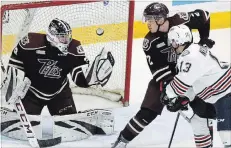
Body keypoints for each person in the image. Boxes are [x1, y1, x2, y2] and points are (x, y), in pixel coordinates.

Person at [112, 2, 215, 148]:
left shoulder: (181, 19)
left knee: (204, 109)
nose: (147, 23)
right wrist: (178, 91)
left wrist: (204, 40)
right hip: (169, 77)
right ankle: (122, 142)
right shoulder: (150, 42)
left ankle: (208, 143)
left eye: (150, 19)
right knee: (147, 112)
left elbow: (205, 16)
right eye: (147, 19)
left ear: (160, 20)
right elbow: (161, 74)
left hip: (192, 71)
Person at [1, 18, 115, 141]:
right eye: (62, 37)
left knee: (69, 126)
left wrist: (92, 78)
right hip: (32, 93)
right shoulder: (30, 44)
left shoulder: (74, 48)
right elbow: (15, 63)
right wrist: (14, 82)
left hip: (59, 93)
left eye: (67, 36)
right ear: (52, 36)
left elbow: (78, 78)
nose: (67, 40)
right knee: (21, 129)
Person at [162, 24, 231, 148]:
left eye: (172, 41)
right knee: (198, 120)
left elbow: (180, 85)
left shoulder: (191, 56)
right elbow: (192, 84)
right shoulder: (190, 53)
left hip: (226, 92)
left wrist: (168, 95)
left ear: (179, 40)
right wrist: (182, 98)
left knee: (226, 134)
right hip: (216, 95)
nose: (172, 45)